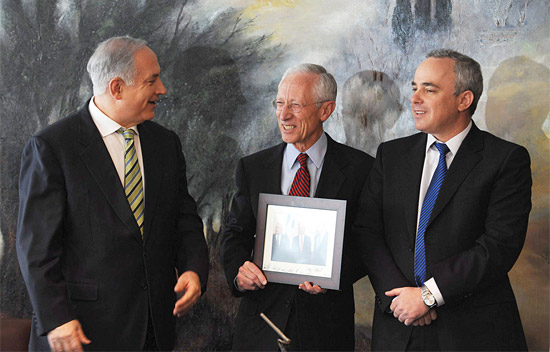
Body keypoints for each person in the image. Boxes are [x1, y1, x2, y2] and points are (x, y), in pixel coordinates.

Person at [16, 36, 209, 351]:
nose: (162, 89)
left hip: (153, 330)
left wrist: (193, 268)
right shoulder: (52, 147)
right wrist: (55, 318)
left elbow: (183, 219)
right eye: (152, 80)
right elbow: (36, 249)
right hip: (81, 333)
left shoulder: (165, 144)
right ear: (117, 88)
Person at [355, 49, 531, 351]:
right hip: (398, 328)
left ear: (464, 100)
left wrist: (428, 295)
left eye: (429, 89)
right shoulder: (390, 155)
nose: (415, 99)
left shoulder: (505, 160)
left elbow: (499, 246)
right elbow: (367, 231)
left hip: (473, 333)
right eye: (414, 88)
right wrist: (400, 299)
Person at [220, 63, 373, 351]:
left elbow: (369, 242)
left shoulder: (361, 169)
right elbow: (234, 234)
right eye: (279, 104)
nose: (283, 115)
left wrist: (333, 276)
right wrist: (239, 272)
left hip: (325, 327)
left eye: (295, 105)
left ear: (326, 110)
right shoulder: (253, 168)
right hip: (260, 324)